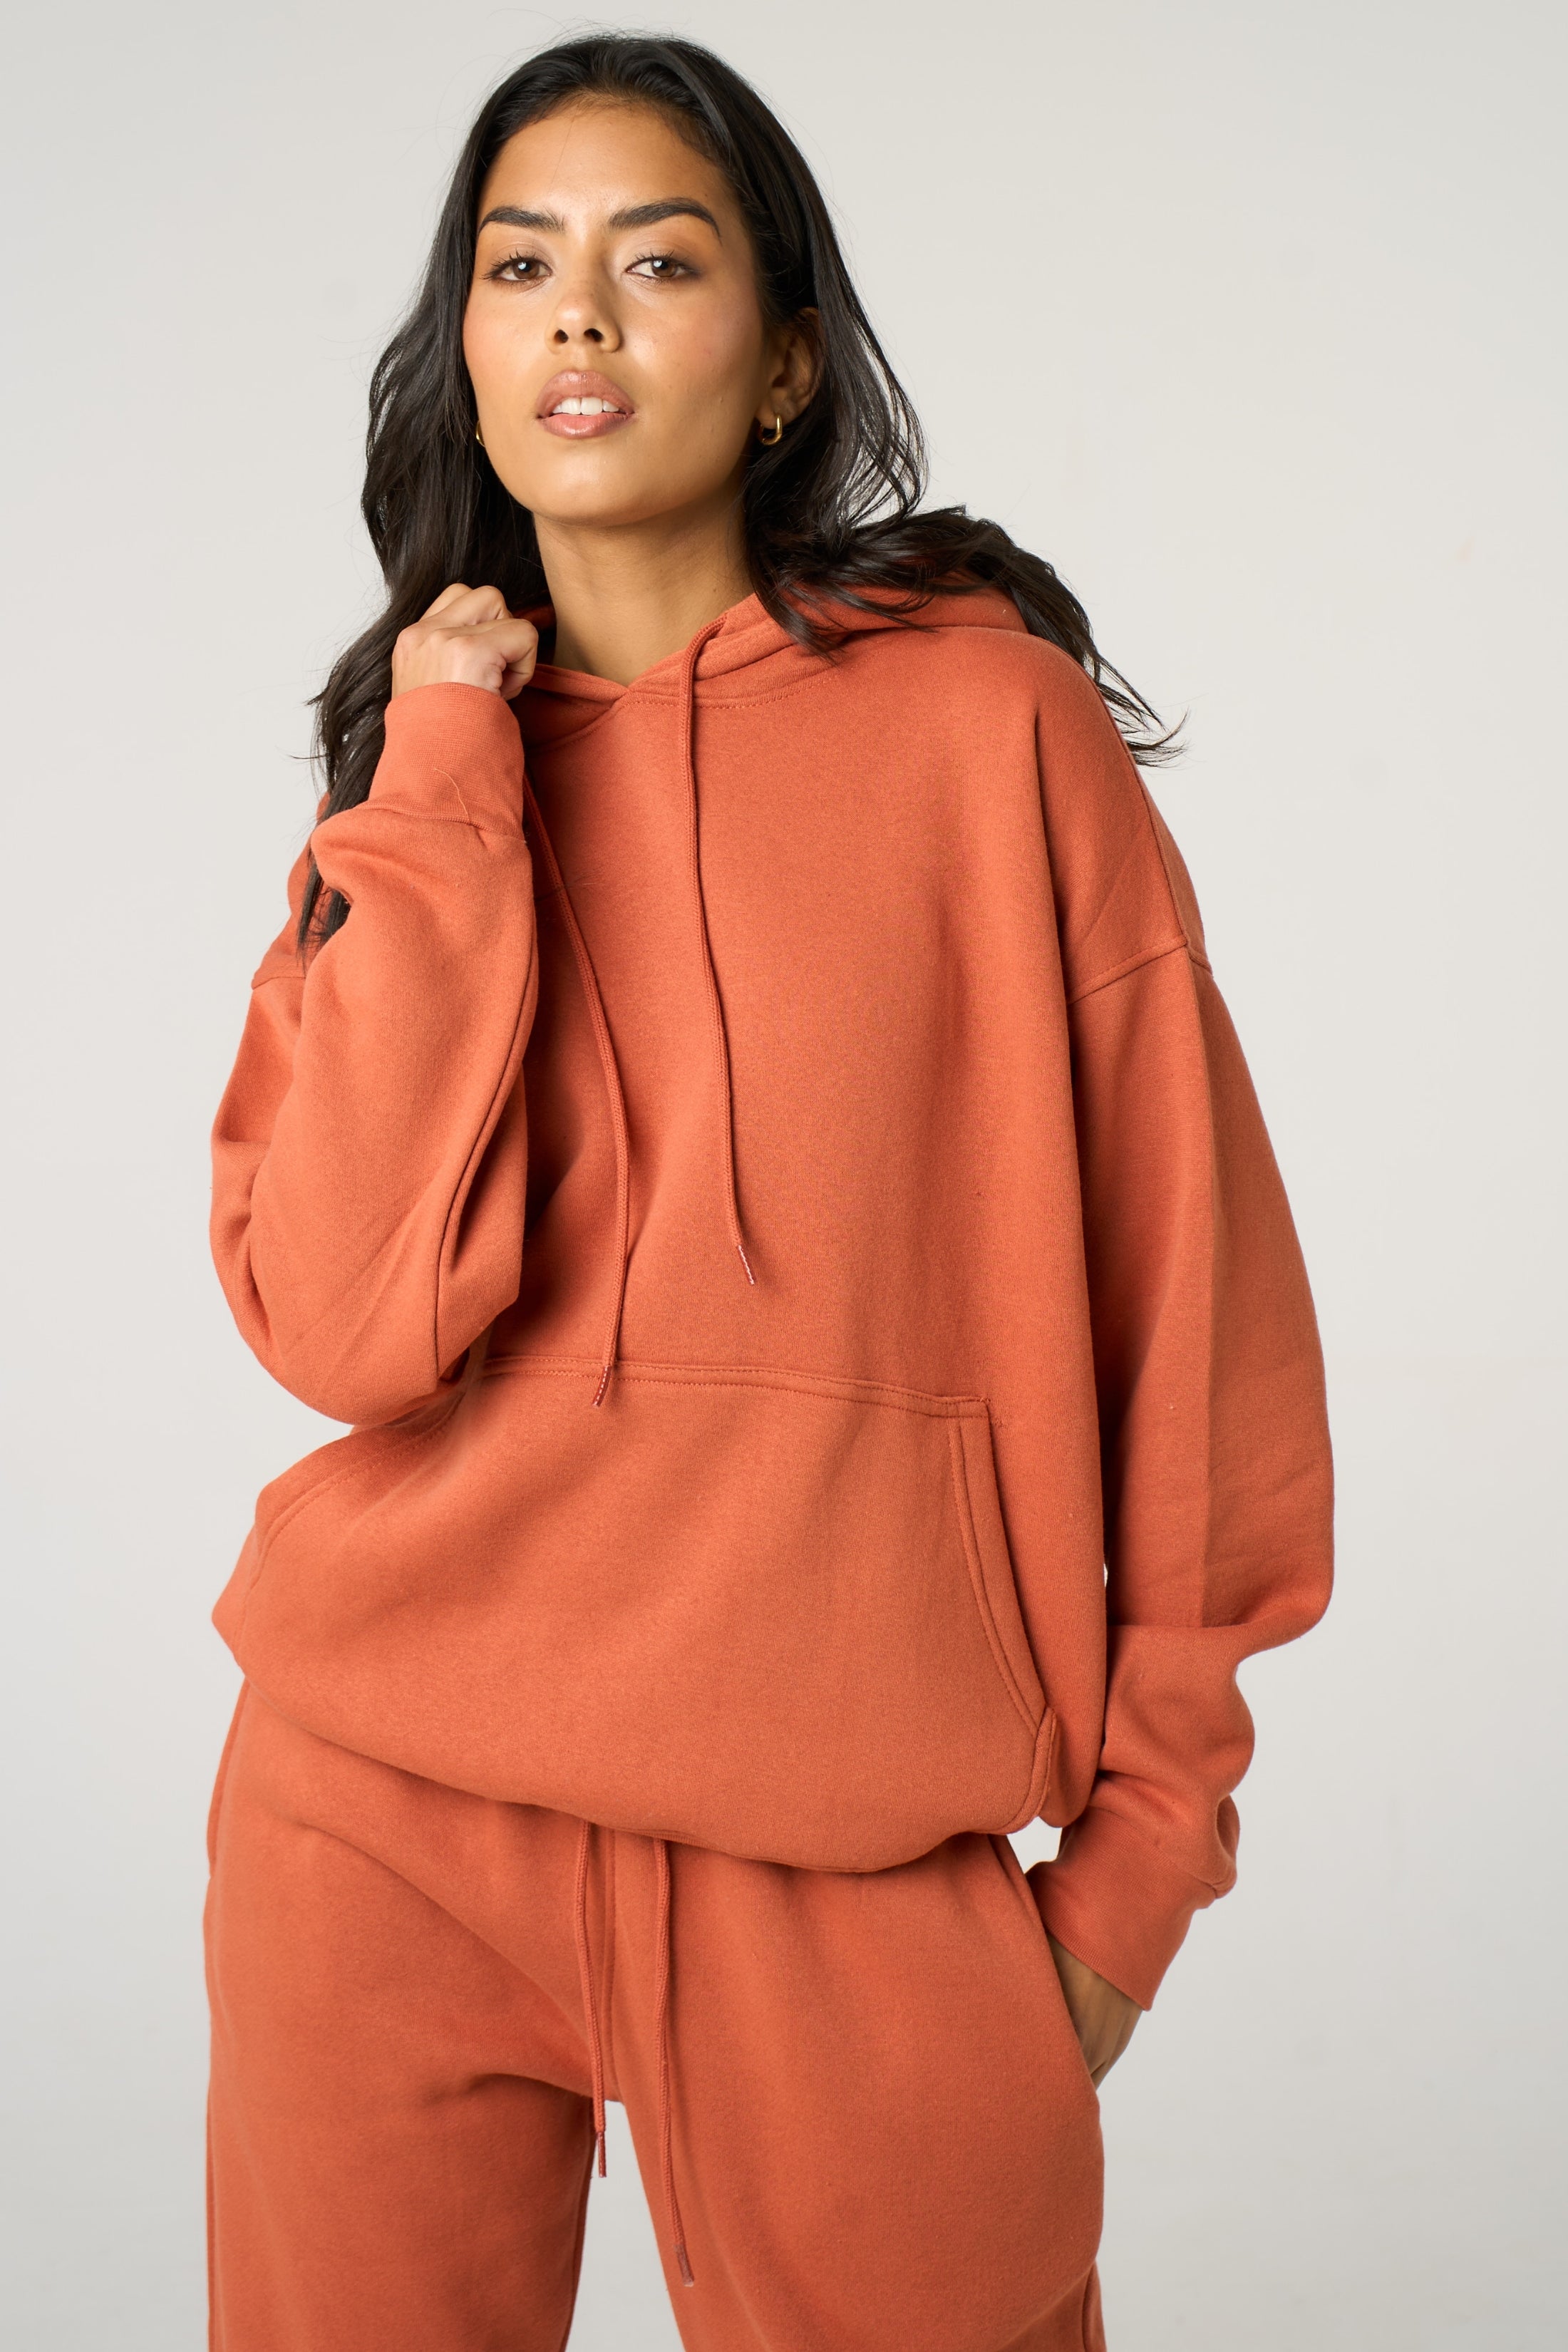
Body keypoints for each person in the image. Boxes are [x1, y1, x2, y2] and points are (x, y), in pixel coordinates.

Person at [203, 32, 1332, 2352]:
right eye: (519, 265)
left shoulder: (991, 735)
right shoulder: (412, 797)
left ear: (788, 361)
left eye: (658, 259)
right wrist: (443, 770)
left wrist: (1136, 1875)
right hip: (376, 1803)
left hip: (849, 1851)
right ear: (470, 352)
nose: (578, 312)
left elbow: (1201, 1322)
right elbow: (341, 1323)